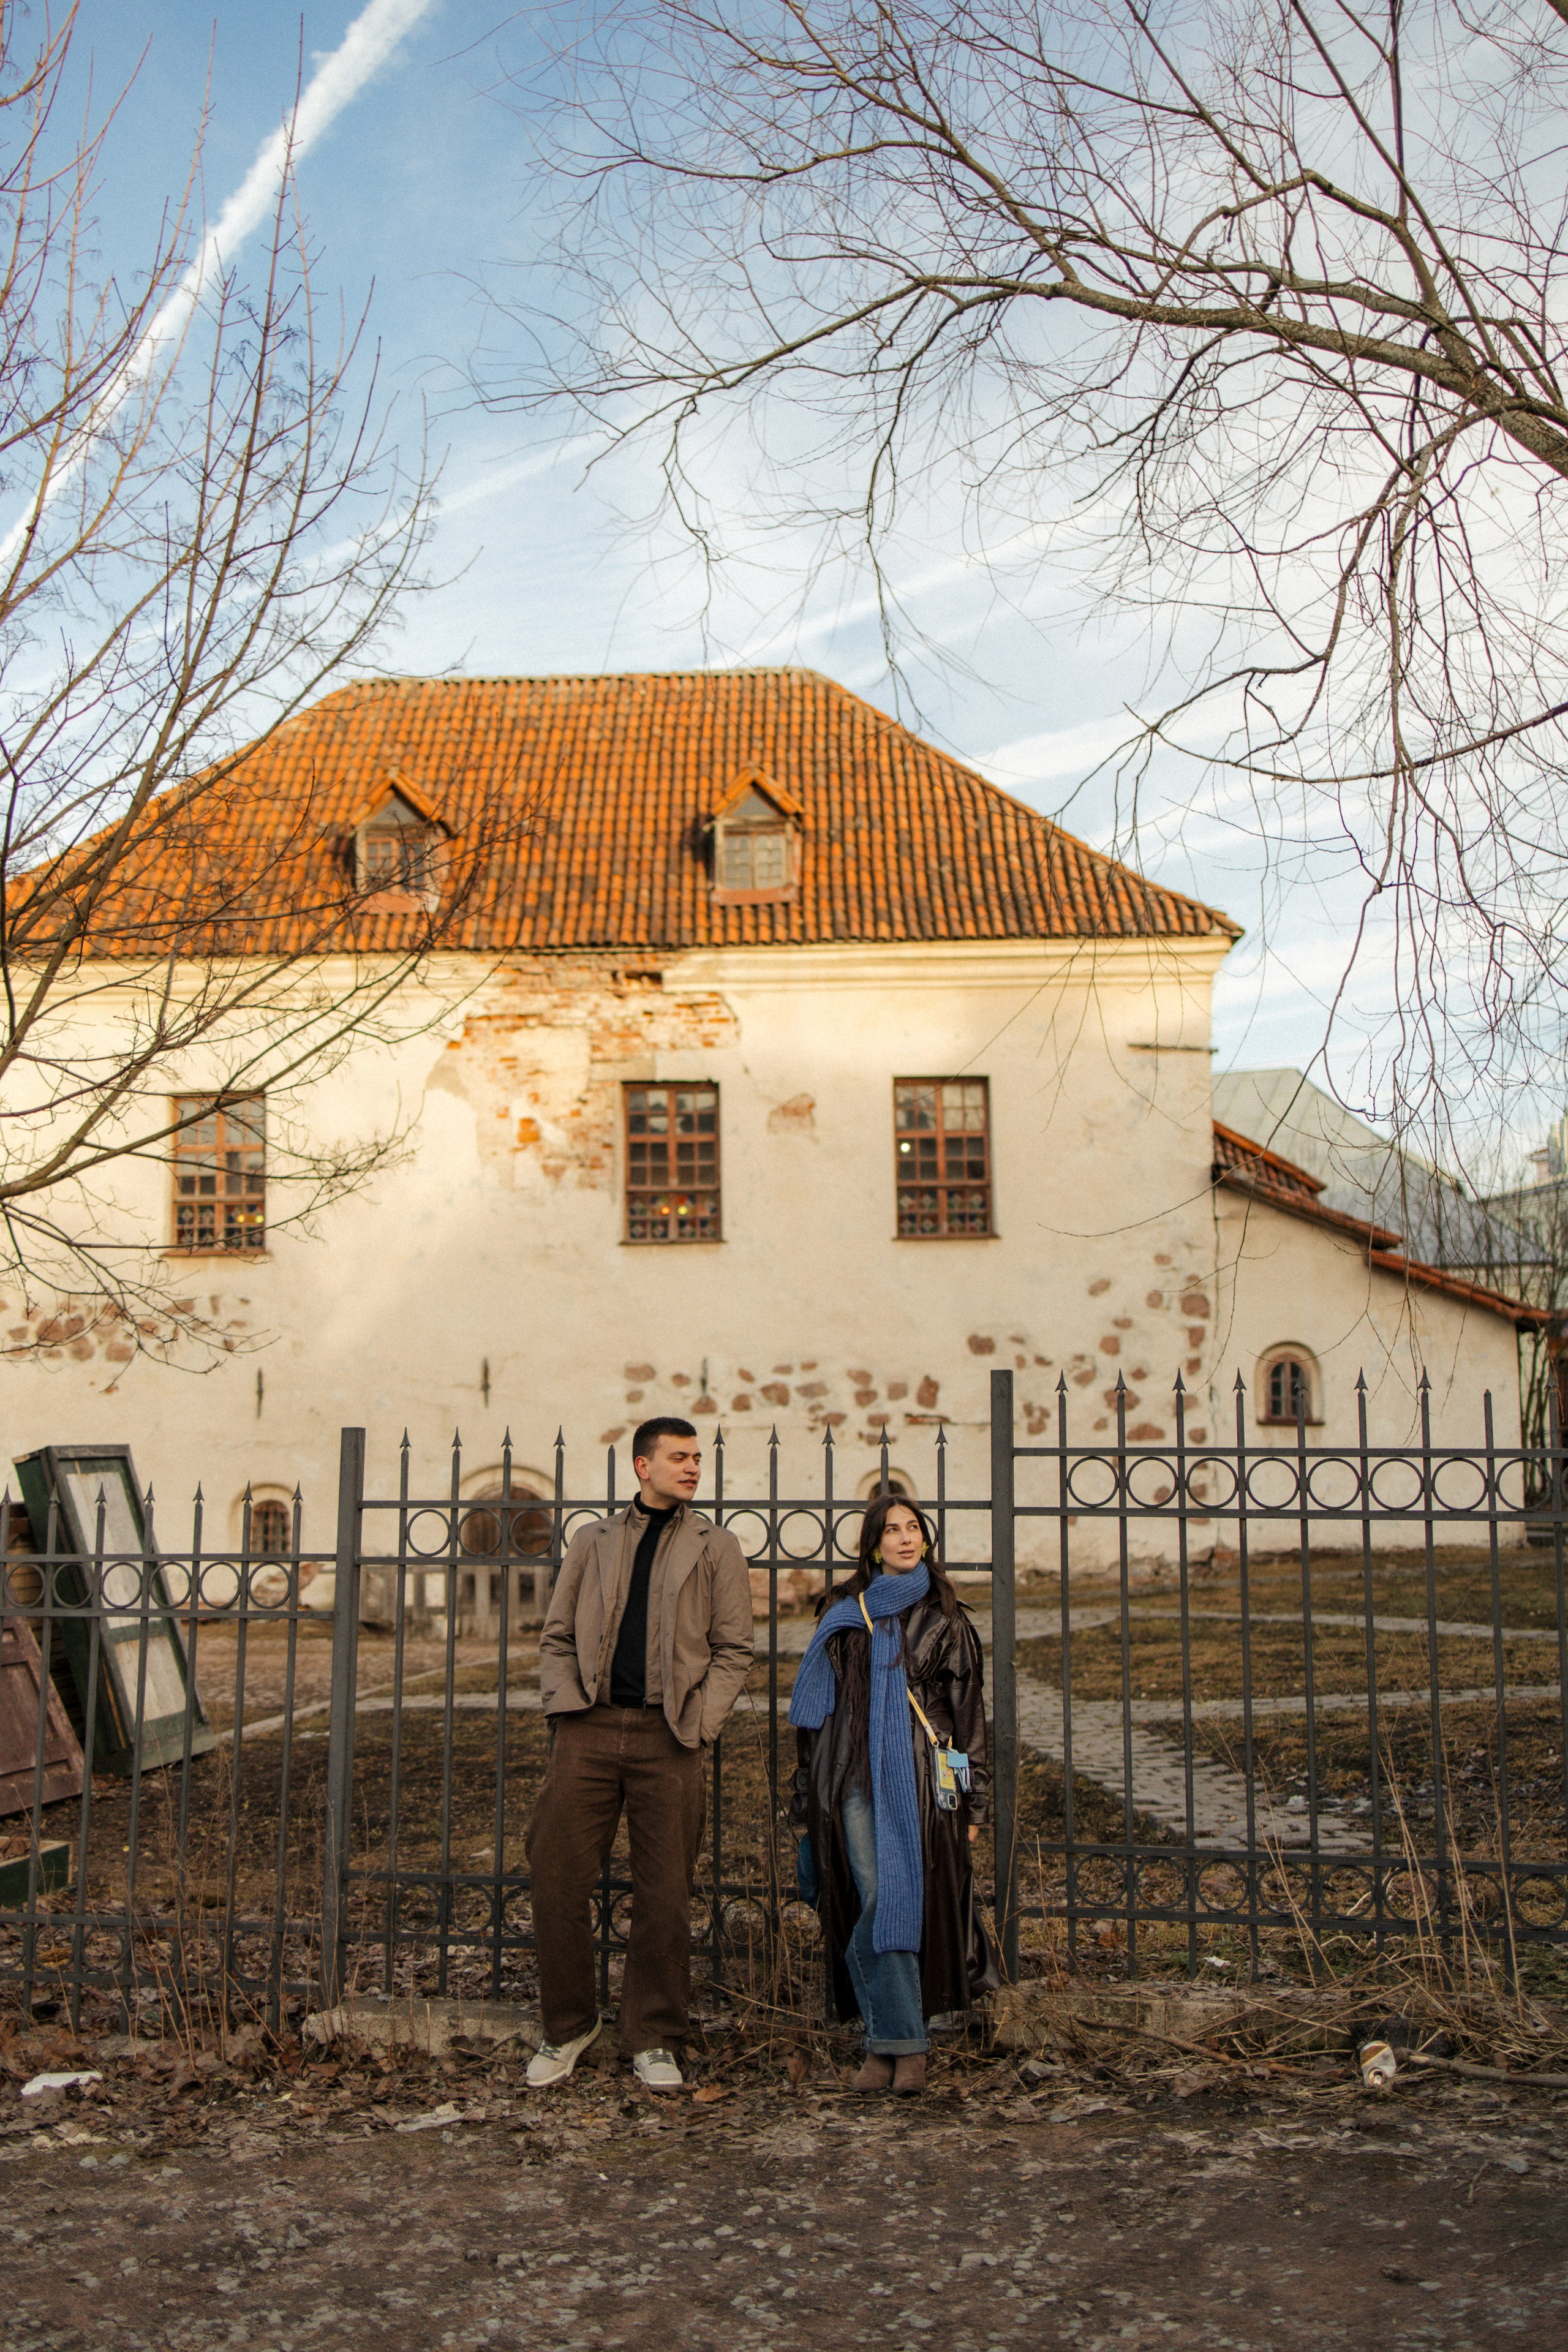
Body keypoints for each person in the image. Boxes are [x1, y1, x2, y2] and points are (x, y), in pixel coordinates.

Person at [525, 1416, 753, 2092]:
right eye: (678, 1458)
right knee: (556, 1875)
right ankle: (568, 2026)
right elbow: (557, 1635)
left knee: (665, 1893)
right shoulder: (592, 1541)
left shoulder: (718, 1546)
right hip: (588, 1732)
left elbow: (734, 1648)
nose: (691, 1469)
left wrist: (700, 1723)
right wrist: (566, 1710)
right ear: (641, 1466)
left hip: (670, 1738)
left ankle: (655, 2036)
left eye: (696, 1459)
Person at [790, 1493, 997, 2094]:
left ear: (925, 1541)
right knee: (877, 1896)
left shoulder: (947, 1621)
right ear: (872, 1544)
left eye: (913, 1529)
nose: (904, 1539)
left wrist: (972, 1800)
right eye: (891, 1530)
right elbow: (813, 1719)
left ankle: (892, 2045)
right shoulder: (841, 1614)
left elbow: (964, 1722)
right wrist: (805, 1801)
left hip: (918, 1784)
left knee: (894, 1900)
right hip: (849, 1780)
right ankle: (901, 2048)